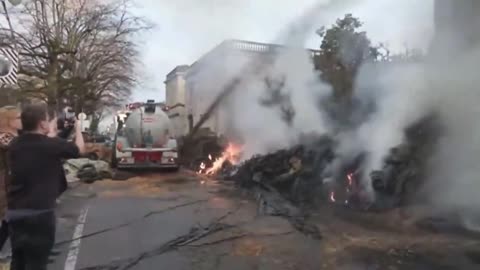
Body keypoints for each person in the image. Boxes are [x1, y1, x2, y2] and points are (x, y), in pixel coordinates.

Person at [7, 103, 85, 270]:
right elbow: (79, 149)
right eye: (48, 120)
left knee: (18, 262)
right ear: (42, 124)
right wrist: (78, 127)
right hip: (39, 216)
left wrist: (53, 132)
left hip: (15, 214)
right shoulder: (50, 145)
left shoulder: (14, 145)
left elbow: (42, 145)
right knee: (37, 264)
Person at [0, 106, 22, 260]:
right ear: (8, 121)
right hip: (5, 184)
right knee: (9, 220)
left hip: (10, 184)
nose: (22, 120)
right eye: (18, 118)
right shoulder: (5, 139)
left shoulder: (14, 138)